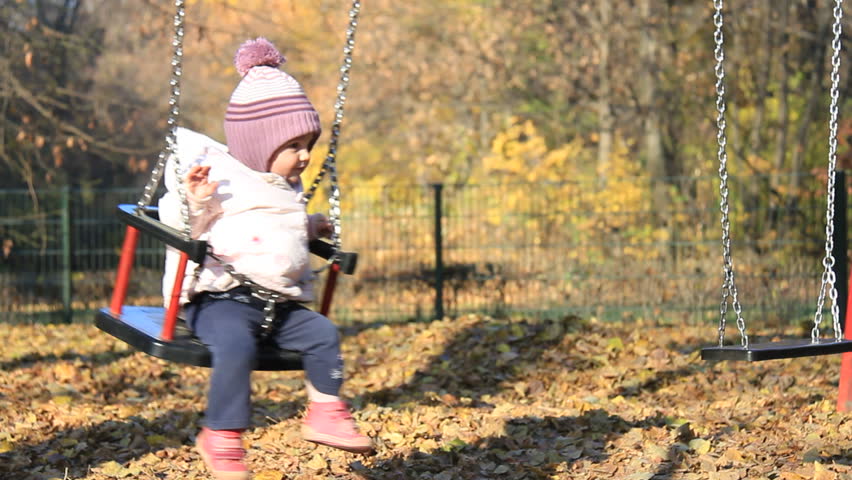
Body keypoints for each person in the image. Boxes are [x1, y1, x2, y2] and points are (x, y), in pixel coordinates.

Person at [158, 37, 373, 480]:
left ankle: (325, 412)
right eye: (295, 145)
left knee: (324, 333)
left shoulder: (283, 188)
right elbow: (179, 223)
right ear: (260, 144)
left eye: (309, 143)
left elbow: (273, 229)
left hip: (277, 307)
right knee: (235, 346)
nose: (306, 155)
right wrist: (194, 200)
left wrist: (309, 226)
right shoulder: (217, 179)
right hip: (220, 301)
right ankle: (221, 434)